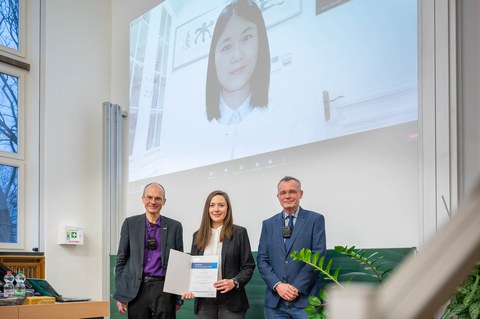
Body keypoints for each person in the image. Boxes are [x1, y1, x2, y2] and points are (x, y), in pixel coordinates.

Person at [257, 176, 326, 319]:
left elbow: (317, 255)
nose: (287, 196)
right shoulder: (268, 224)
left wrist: (297, 287)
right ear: (278, 196)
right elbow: (262, 259)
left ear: (301, 194)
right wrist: (278, 285)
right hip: (275, 304)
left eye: (292, 191)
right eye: (283, 193)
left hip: (305, 301)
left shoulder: (315, 220)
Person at [114, 182, 184, 319]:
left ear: (164, 201)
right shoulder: (130, 224)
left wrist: (178, 297)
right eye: (149, 197)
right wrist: (121, 293)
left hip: (164, 290)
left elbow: (179, 264)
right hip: (136, 289)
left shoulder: (175, 226)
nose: (153, 201)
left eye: (158, 198)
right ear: (143, 199)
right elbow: (121, 260)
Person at [182, 190, 255, 319]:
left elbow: (248, 266)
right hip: (204, 302)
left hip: (232, 301)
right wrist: (187, 287)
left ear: (227, 208)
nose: (216, 209)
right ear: (207, 209)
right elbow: (192, 268)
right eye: (212, 205)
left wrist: (234, 282)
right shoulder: (197, 236)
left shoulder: (239, 233)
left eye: (221, 205)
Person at [205, 0, 270, 125]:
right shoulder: (195, 129)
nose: (237, 56)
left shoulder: (286, 121)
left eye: (246, 38)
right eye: (226, 47)